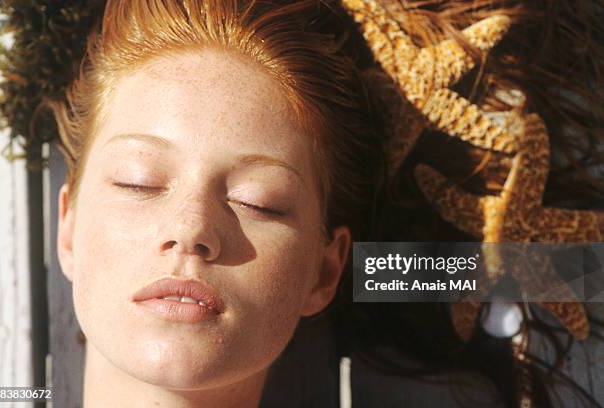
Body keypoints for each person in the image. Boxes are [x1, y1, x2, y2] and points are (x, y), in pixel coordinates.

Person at [49, 0, 604, 406]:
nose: (192, 228)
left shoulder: (404, 274)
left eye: (258, 202)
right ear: (68, 228)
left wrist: (530, 269)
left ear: (327, 267)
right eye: (139, 182)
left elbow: (571, 271)